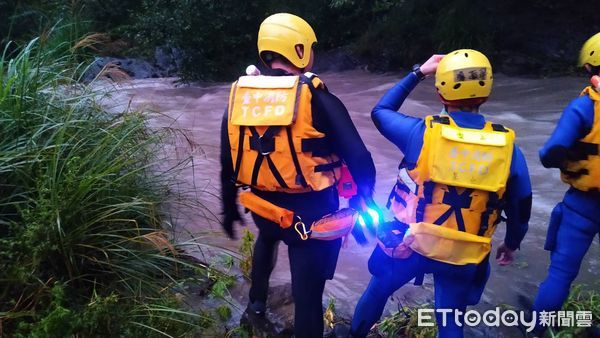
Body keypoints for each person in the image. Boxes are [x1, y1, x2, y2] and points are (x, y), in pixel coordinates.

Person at [350, 50, 532, 338]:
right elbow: (522, 205)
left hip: (408, 241)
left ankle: (354, 335)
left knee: (377, 291)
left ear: (440, 93)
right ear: (486, 93)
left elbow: (380, 112)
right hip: (464, 250)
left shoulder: (420, 133)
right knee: (450, 318)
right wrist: (511, 244)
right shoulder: (509, 149)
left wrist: (419, 72)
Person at [219, 13, 376, 338]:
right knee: (307, 300)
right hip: (312, 223)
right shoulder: (318, 98)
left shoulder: (240, 99)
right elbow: (360, 159)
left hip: (264, 211)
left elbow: (228, 161)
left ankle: (257, 304)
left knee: (267, 239)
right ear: (300, 49)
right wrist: (363, 196)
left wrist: (229, 208)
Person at [532, 32, 600, 334]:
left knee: (560, 274)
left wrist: (562, 160)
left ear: (588, 68)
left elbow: (551, 152)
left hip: (582, 205)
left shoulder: (583, 108)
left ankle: (536, 330)